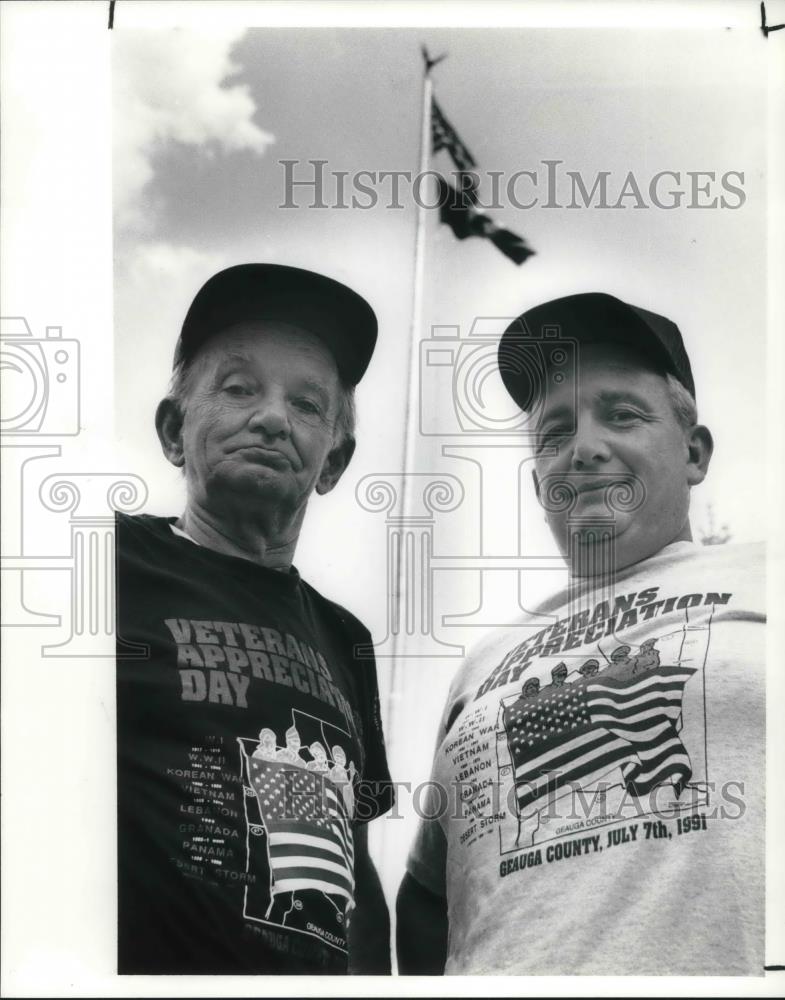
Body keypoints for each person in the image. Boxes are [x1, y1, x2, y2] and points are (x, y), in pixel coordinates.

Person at [398, 291, 764, 976]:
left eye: (621, 414)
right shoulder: (481, 663)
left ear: (693, 451)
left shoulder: (763, 577)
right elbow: (424, 901)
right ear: (539, 485)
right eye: (553, 434)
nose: (584, 449)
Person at [116, 263, 394, 975]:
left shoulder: (346, 640)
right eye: (239, 388)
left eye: (306, 404)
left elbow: (354, 872)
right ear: (175, 430)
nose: (272, 417)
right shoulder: (100, 562)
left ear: (333, 461)